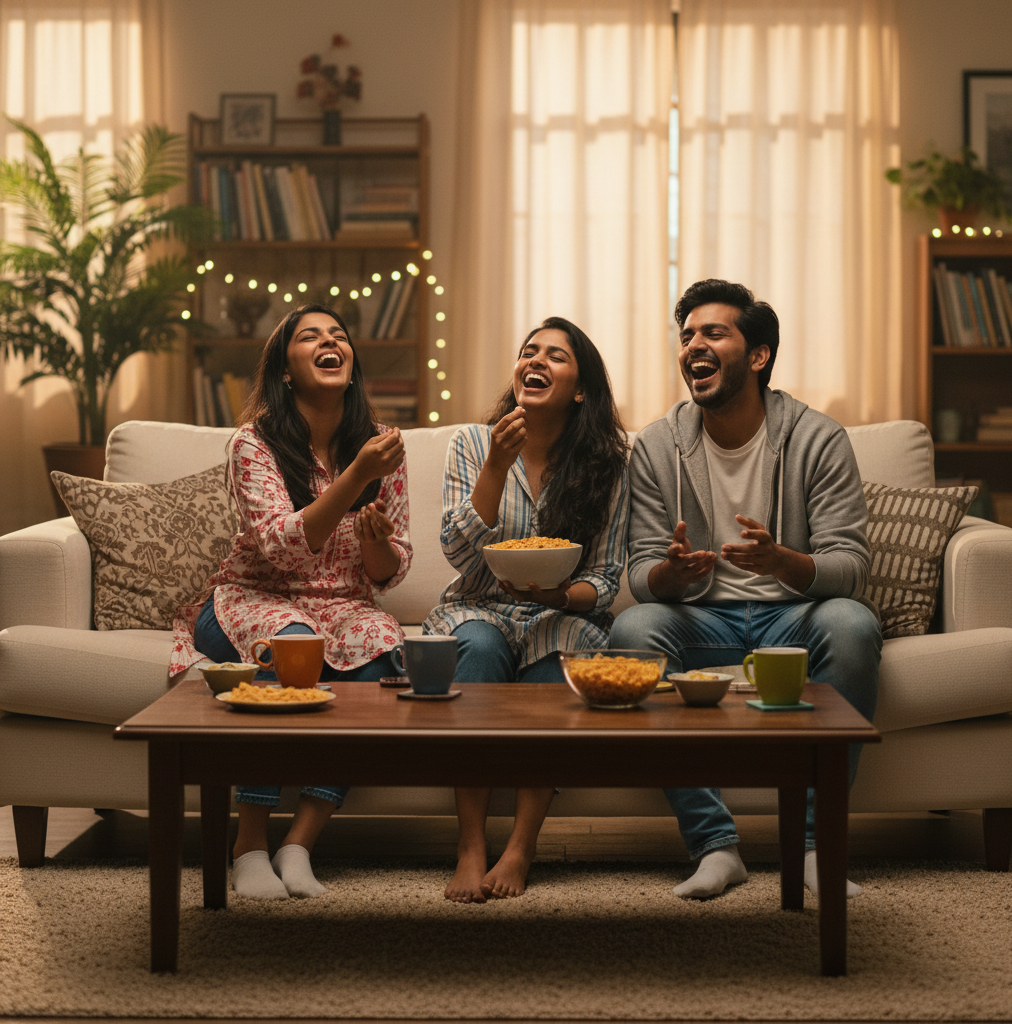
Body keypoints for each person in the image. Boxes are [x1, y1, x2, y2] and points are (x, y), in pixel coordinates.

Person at [608, 279, 880, 900]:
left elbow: (851, 565)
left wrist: (783, 561)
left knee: (852, 624)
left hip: (795, 617)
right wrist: (670, 577)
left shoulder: (817, 438)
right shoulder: (655, 446)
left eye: (713, 332)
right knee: (631, 632)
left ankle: (816, 849)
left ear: (757, 355)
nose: (693, 346)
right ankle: (714, 846)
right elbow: (640, 571)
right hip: (704, 620)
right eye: (686, 336)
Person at [170, 303, 411, 900]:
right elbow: (282, 550)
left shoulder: (382, 446)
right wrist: (355, 478)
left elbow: (390, 570)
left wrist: (377, 545)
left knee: (383, 664)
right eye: (311, 337)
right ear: (284, 369)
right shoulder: (253, 445)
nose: (330, 342)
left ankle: (299, 842)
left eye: (338, 336)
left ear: (351, 365)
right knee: (293, 646)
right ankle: (248, 843)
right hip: (256, 597)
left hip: (345, 606)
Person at [424, 316, 630, 904]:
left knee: (556, 662)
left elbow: (606, 576)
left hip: (560, 615)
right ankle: (470, 846)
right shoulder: (470, 443)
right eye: (527, 352)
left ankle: (521, 845)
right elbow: (460, 554)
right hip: (478, 605)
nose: (535, 361)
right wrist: (495, 465)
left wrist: (557, 597)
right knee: (481, 648)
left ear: (582, 387)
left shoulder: (609, 464)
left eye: (556, 356)